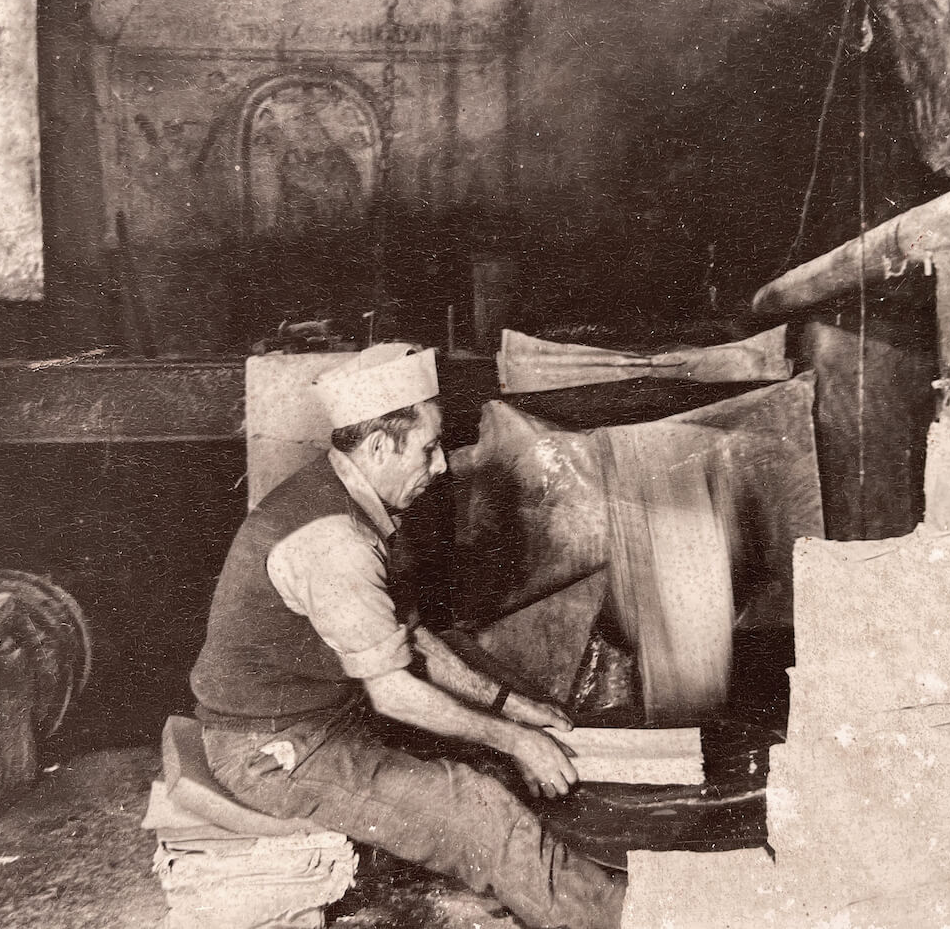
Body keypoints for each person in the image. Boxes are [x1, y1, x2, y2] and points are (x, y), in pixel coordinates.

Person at [189, 343, 625, 929]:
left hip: (317, 714)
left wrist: (513, 708)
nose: (442, 464)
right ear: (377, 446)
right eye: (428, 448)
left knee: (479, 723)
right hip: (272, 749)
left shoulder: (351, 496)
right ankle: (634, 918)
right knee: (475, 809)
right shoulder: (336, 540)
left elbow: (413, 641)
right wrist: (516, 741)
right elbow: (392, 693)